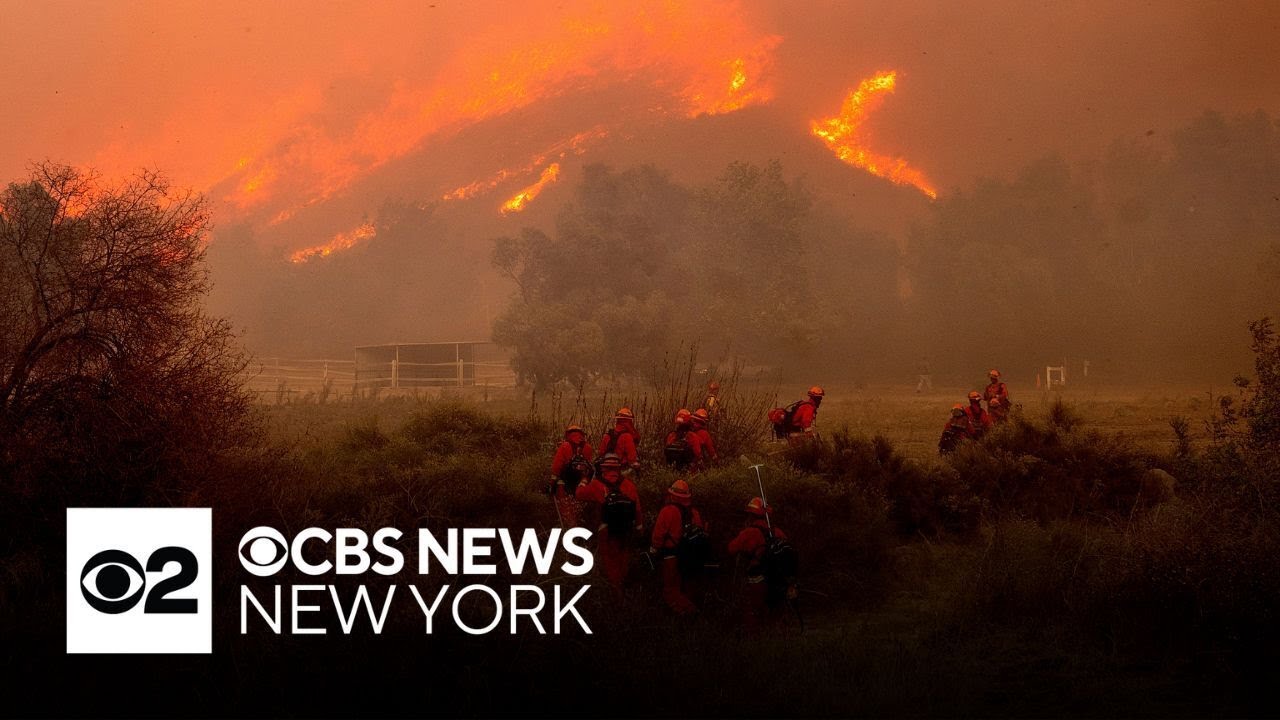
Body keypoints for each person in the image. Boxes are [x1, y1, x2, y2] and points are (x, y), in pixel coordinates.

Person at [575, 453, 643, 592]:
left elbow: (579, 494)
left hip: (606, 529)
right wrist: (639, 528)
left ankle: (616, 592)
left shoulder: (597, 485)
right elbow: (637, 510)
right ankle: (624, 586)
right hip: (626, 528)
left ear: (604, 468)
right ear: (618, 468)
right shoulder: (629, 485)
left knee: (609, 561)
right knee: (623, 557)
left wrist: (584, 478)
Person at [727, 497, 792, 631]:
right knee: (776, 610)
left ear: (751, 515)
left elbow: (731, 548)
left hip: (757, 578)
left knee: (752, 610)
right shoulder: (777, 532)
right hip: (777, 579)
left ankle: (754, 641)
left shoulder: (749, 532)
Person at [649, 479, 707, 615]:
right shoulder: (694, 513)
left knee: (670, 590)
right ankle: (686, 619)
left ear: (673, 495)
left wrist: (654, 550)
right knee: (686, 587)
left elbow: (658, 536)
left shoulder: (667, 511)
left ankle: (692, 613)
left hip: (671, 556)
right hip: (691, 556)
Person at [549, 424, 593, 527]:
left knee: (565, 506)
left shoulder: (565, 446)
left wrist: (552, 484)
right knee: (579, 505)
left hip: (565, 482)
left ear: (568, 434)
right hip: (581, 483)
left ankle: (569, 525)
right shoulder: (588, 447)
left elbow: (557, 466)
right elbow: (589, 466)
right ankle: (581, 524)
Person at [599, 407, 640, 472]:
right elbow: (632, 457)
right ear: (629, 421)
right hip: (622, 468)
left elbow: (601, 453)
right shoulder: (627, 436)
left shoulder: (607, 435)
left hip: (606, 468)